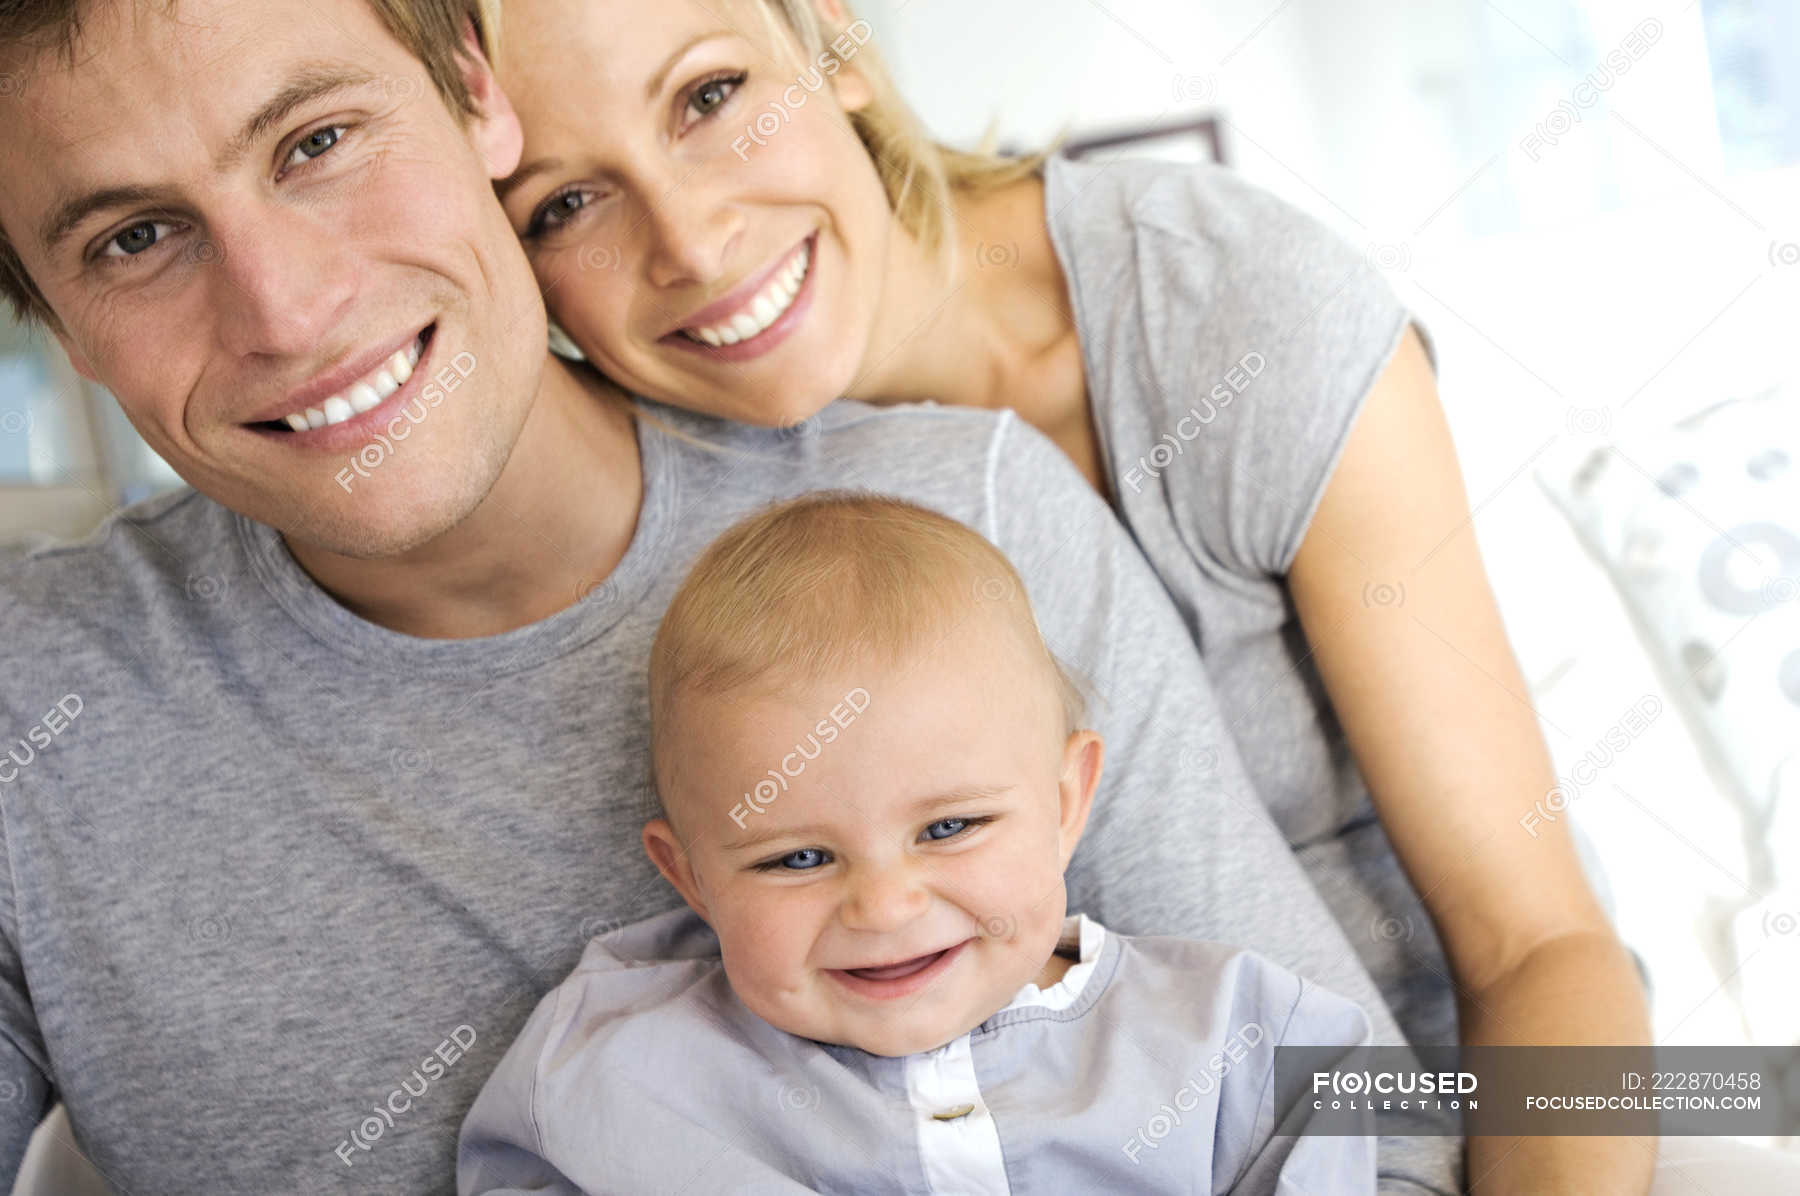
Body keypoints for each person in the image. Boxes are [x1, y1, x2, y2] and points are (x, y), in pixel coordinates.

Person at [0, 0, 1454, 1191]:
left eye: (316, 141)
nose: (285, 310)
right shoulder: (32, 716)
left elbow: (1371, 1135)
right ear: (55, 322)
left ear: (473, 96)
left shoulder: (972, 524)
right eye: (132, 239)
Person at [481, 0, 1657, 1188]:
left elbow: (1537, 942)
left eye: (710, 97)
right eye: (563, 204)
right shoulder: (676, 536)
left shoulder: (1225, 316)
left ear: (829, 39)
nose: (692, 241)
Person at [457, 492, 1378, 1194]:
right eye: (797, 859)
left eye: (949, 828)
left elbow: (1505, 1094)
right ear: (691, 878)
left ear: (1068, 801)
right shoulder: (612, 1072)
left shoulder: (1232, 1031)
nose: (886, 906)